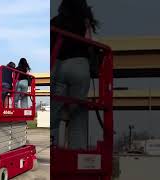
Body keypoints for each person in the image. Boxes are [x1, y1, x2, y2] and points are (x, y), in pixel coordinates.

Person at [51, 0, 99, 149]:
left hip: (58, 65)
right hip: (80, 66)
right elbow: (91, 42)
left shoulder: (54, 22)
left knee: (55, 109)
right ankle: (77, 152)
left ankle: (53, 149)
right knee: (78, 110)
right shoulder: (85, 21)